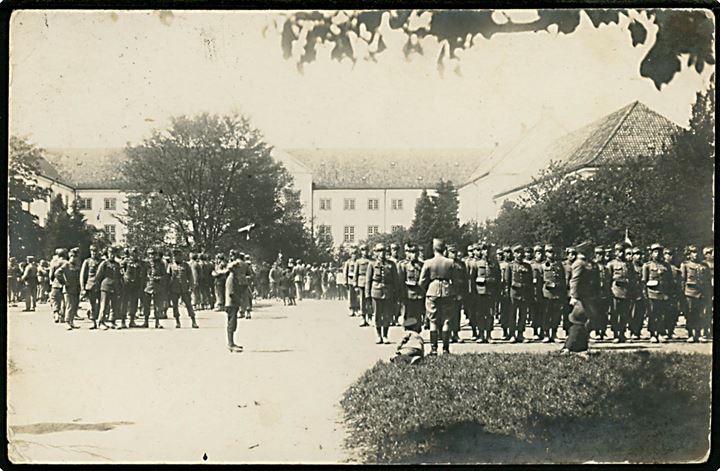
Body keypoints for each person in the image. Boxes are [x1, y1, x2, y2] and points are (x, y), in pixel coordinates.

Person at [419, 238, 455, 355]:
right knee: (446, 320)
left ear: (434, 248)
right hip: (447, 291)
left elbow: (421, 281)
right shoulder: (450, 262)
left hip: (432, 290)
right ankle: (445, 349)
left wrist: (427, 289)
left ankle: (434, 349)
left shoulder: (428, 262)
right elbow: (455, 280)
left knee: (433, 321)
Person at [366, 243, 400, 344]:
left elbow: (396, 280)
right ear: (375, 252)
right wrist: (367, 294)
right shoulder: (371, 264)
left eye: (383, 250)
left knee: (387, 315)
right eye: (379, 251)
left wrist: (397, 294)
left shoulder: (391, 264)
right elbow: (368, 280)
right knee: (376, 315)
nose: (382, 253)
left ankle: (385, 335)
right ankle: (378, 335)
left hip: (388, 292)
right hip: (376, 291)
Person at [565, 241, 596, 353]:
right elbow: (574, 281)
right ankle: (568, 347)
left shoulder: (584, 263)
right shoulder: (579, 263)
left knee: (585, 320)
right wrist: (574, 297)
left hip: (585, 297)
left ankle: (582, 346)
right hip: (579, 298)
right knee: (578, 320)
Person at [642, 243, 673, 343]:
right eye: (655, 252)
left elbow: (670, 280)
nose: (657, 254)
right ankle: (653, 334)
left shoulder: (666, 266)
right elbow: (644, 281)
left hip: (663, 294)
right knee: (652, 314)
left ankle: (661, 333)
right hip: (652, 293)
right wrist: (645, 295)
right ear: (651, 253)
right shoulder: (647, 266)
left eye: (659, 252)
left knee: (662, 314)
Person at [680, 245, 710, 343]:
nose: (695, 254)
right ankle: (690, 334)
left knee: (700, 314)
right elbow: (682, 280)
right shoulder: (685, 265)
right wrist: (682, 294)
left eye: (697, 252)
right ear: (688, 254)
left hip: (701, 293)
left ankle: (698, 333)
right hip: (689, 293)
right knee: (690, 314)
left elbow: (707, 281)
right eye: (693, 252)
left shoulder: (704, 266)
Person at [606, 244, 635, 343]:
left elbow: (632, 279)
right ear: (615, 252)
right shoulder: (611, 264)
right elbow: (608, 280)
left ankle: (622, 333)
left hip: (626, 293)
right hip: (615, 292)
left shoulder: (629, 265)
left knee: (625, 315)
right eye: (619, 251)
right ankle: (615, 334)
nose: (621, 253)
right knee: (615, 314)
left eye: (623, 251)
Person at [505, 244, 533, 343]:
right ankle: (512, 334)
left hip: (524, 293)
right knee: (512, 314)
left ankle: (521, 334)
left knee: (523, 314)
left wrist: (530, 294)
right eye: (517, 253)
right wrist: (507, 294)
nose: (519, 255)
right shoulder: (510, 266)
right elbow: (507, 282)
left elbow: (530, 281)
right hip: (514, 293)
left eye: (521, 252)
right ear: (514, 254)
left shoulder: (527, 266)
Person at [540, 244, 567, 343]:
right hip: (547, 293)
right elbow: (539, 281)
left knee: (556, 315)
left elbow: (563, 280)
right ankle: (546, 334)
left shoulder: (559, 265)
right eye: (549, 252)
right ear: (546, 253)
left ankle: (554, 333)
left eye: (553, 252)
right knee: (546, 314)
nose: (551, 254)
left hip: (557, 293)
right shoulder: (542, 265)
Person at [168, 248, 199, 329]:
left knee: (189, 305)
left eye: (177, 256)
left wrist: (191, 286)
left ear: (180, 256)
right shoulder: (171, 266)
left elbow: (190, 277)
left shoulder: (186, 265)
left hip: (184, 288)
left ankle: (193, 321)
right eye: (174, 256)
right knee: (175, 305)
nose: (175, 258)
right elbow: (168, 277)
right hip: (174, 288)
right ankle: (177, 321)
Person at [397, 243, 425, 330]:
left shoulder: (422, 265)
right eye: (411, 252)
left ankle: (417, 332)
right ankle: (409, 333)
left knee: (418, 315)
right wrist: (401, 296)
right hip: (408, 294)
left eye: (415, 251)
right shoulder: (403, 265)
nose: (414, 254)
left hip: (419, 294)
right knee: (408, 315)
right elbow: (400, 282)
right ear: (407, 253)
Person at [95, 246, 123, 329]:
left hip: (115, 287)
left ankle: (112, 321)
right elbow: (98, 276)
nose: (112, 255)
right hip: (106, 286)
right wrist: (100, 286)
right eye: (110, 253)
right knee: (104, 305)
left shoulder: (117, 264)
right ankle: (101, 322)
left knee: (114, 305)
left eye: (113, 254)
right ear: (108, 254)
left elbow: (119, 276)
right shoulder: (104, 263)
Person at [56, 248, 81, 330]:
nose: (74, 258)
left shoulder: (76, 266)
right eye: (72, 256)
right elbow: (57, 273)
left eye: (75, 256)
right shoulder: (66, 265)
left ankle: (71, 321)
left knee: (74, 305)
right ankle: (67, 322)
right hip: (68, 289)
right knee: (69, 306)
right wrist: (64, 282)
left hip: (76, 288)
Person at [224, 251, 245, 353]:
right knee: (231, 324)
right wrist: (239, 301)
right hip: (231, 303)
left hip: (232, 303)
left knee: (233, 323)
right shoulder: (232, 278)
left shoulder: (233, 277)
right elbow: (232, 293)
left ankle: (232, 343)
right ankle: (230, 344)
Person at [447, 245, 467, 343]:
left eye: (455, 252)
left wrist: (463, 292)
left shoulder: (461, 264)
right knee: (449, 314)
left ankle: (456, 333)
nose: (453, 254)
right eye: (451, 252)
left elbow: (465, 279)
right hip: (449, 292)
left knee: (457, 314)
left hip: (458, 291)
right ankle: (449, 334)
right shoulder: (445, 263)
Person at [121, 247, 144, 328]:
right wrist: (124, 277)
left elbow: (142, 272)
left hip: (136, 284)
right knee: (124, 302)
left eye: (136, 252)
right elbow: (120, 269)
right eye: (133, 252)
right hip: (127, 284)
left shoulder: (140, 262)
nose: (135, 254)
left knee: (134, 302)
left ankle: (132, 320)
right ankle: (123, 321)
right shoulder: (126, 261)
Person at [592, 246, 611, 341]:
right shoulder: (592, 266)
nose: (600, 256)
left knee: (604, 313)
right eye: (598, 254)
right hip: (595, 293)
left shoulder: (606, 267)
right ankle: (597, 331)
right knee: (596, 313)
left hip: (605, 293)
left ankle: (603, 331)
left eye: (602, 254)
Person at [80, 244, 103, 324]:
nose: (94, 253)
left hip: (100, 285)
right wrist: (82, 288)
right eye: (92, 251)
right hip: (91, 285)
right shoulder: (87, 261)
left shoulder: (101, 261)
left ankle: (100, 320)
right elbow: (82, 275)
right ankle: (93, 321)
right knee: (92, 304)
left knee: (101, 303)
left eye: (95, 251)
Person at [629, 247, 646, 340]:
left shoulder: (643, 266)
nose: (638, 256)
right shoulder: (629, 266)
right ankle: (632, 331)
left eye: (639, 254)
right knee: (632, 313)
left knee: (640, 313)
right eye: (636, 254)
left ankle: (637, 331)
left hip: (641, 292)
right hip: (632, 293)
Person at [529, 245, 545, 340]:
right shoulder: (531, 265)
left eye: (541, 252)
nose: (540, 255)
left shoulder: (545, 264)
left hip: (543, 291)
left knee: (543, 312)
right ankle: (535, 331)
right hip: (533, 291)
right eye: (538, 253)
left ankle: (542, 331)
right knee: (534, 312)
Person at [49, 248, 68, 323]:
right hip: (65, 283)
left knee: (54, 299)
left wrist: (52, 280)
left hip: (56, 283)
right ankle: (62, 315)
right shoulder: (67, 262)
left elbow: (51, 274)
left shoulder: (54, 262)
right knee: (64, 300)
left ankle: (56, 313)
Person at [355, 245, 372, 327]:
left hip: (370, 282)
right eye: (363, 250)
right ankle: (363, 317)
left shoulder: (371, 261)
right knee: (362, 300)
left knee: (369, 300)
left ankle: (370, 317)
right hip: (361, 281)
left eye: (366, 250)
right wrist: (355, 283)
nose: (365, 252)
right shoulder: (358, 261)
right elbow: (355, 273)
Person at [343, 247, 360, 316]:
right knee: (350, 295)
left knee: (357, 296)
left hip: (357, 281)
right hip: (350, 281)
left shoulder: (358, 262)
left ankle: (357, 309)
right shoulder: (348, 262)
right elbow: (345, 272)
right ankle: (351, 309)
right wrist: (345, 281)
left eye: (355, 253)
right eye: (353, 253)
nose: (354, 255)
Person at [702, 246, 713, 340]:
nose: (712, 254)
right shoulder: (703, 265)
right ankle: (706, 330)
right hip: (708, 291)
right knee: (707, 311)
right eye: (709, 252)